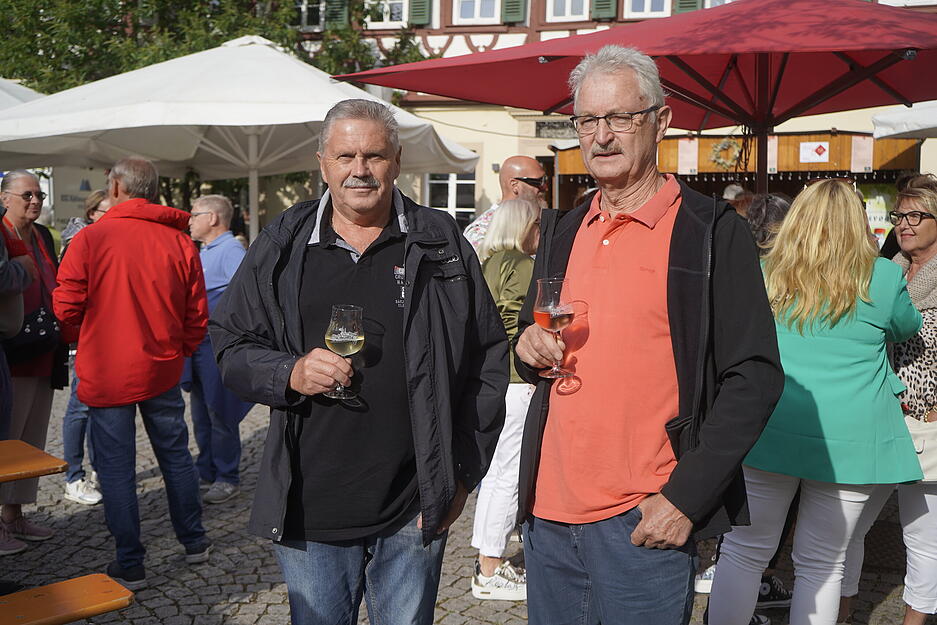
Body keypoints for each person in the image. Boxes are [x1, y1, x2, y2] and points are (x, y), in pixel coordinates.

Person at [512, 45, 784, 625]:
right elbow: (529, 337)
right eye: (588, 120)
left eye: (620, 117)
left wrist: (685, 498)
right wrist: (526, 347)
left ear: (661, 122)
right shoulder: (563, 228)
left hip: (642, 521)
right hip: (548, 515)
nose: (601, 135)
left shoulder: (709, 231)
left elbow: (754, 378)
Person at [210, 98, 508, 625]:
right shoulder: (284, 241)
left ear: (396, 161)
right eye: (345, 156)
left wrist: (462, 474)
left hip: (413, 505)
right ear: (322, 163)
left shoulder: (439, 240)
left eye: (374, 155)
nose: (360, 169)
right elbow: (231, 342)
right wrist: (289, 372)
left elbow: (486, 358)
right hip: (311, 505)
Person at [708, 179, 924, 625]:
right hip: (851, 439)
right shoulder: (883, 277)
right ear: (857, 224)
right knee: (824, 562)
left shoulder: (765, 270)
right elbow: (906, 326)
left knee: (745, 550)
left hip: (769, 425)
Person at [53, 157, 211, 590]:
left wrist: (85, 337)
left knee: (115, 468)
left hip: (107, 370)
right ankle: (194, 541)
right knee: (175, 456)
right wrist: (180, 349)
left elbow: (65, 307)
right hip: (161, 366)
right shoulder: (178, 241)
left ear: (117, 188)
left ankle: (131, 562)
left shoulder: (91, 238)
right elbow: (197, 311)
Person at [840, 173, 937, 625]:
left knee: (923, 538)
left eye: (917, 215)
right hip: (878, 418)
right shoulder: (886, 271)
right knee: (846, 529)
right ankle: (841, 613)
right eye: (900, 215)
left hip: (928, 423)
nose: (904, 224)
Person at [470, 198, 540, 601]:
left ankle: (486, 558)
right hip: (515, 379)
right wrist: (529, 369)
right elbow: (513, 322)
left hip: (493, 380)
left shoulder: (489, 262)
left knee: (497, 473)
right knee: (510, 472)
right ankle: (490, 566)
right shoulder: (520, 264)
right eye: (537, 225)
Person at [0, 170, 69, 555]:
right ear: (4, 197)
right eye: (27, 194)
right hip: (11, 352)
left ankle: (15, 515)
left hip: (43, 348)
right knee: (5, 441)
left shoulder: (42, 235)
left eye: (39, 194)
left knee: (31, 439)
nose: (35, 201)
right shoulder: (1, 232)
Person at [184, 194, 252, 505]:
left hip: (215, 346)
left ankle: (227, 476)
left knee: (220, 411)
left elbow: (245, 298)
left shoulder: (231, 250)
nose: (189, 220)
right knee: (201, 414)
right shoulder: (207, 250)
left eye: (194, 215)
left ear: (212, 218)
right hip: (199, 346)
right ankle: (208, 470)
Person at [60, 189, 111, 506]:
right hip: (88, 339)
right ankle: (73, 477)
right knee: (79, 409)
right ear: (92, 213)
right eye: (107, 211)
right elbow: (69, 299)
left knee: (101, 410)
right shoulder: (79, 241)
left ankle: (99, 471)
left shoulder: (107, 239)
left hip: (109, 339)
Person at [463, 155, 546, 250]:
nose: (545, 187)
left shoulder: (541, 223)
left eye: (544, 180)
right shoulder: (481, 232)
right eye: (538, 182)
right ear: (514, 185)